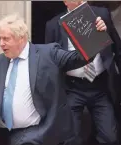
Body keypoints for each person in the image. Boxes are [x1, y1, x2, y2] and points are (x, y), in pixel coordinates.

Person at [0, 13, 107, 145]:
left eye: (6, 39)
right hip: (5, 136)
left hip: (36, 134)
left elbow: (78, 58)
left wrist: (95, 35)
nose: (1, 43)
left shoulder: (48, 54)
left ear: (21, 38)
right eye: (0, 39)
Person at [45, 1, 121, 145]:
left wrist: (103, 33)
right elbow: (49, 61)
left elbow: (117, 49)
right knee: (70, 138)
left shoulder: (101, 15)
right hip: (72, 88)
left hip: (100, 86)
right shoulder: (53, 25)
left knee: (110, 137)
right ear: (65, 1)